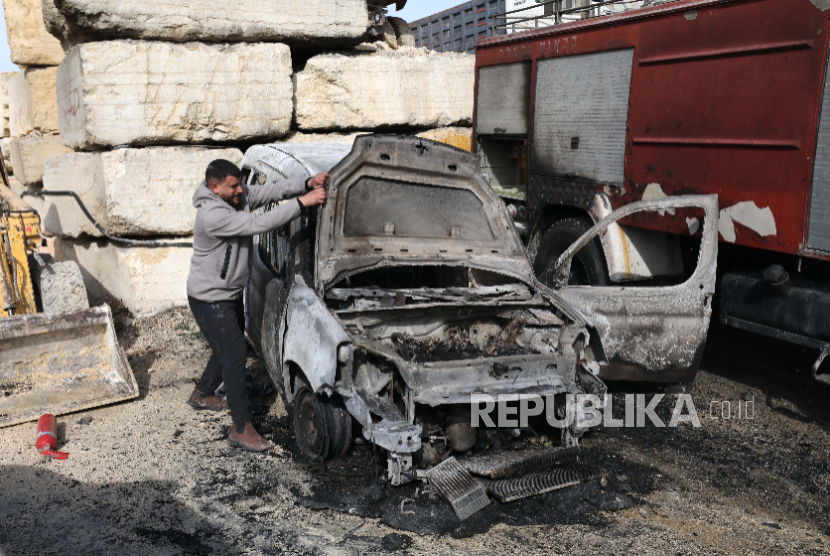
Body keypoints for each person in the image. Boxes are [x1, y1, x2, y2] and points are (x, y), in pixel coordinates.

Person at [185, 159, 328, 452]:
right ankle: (241, 429)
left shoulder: (237, 196)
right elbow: (257, 223)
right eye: (233, 186)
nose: (241, 190)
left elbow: (273, 191)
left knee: (227, 345)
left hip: (226, 292)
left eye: (240, 183)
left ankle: (202, 393)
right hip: (209, 298)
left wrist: (305, 184)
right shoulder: (212, 215)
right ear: (214, 188)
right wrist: (304, 202)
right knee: (235, 353)